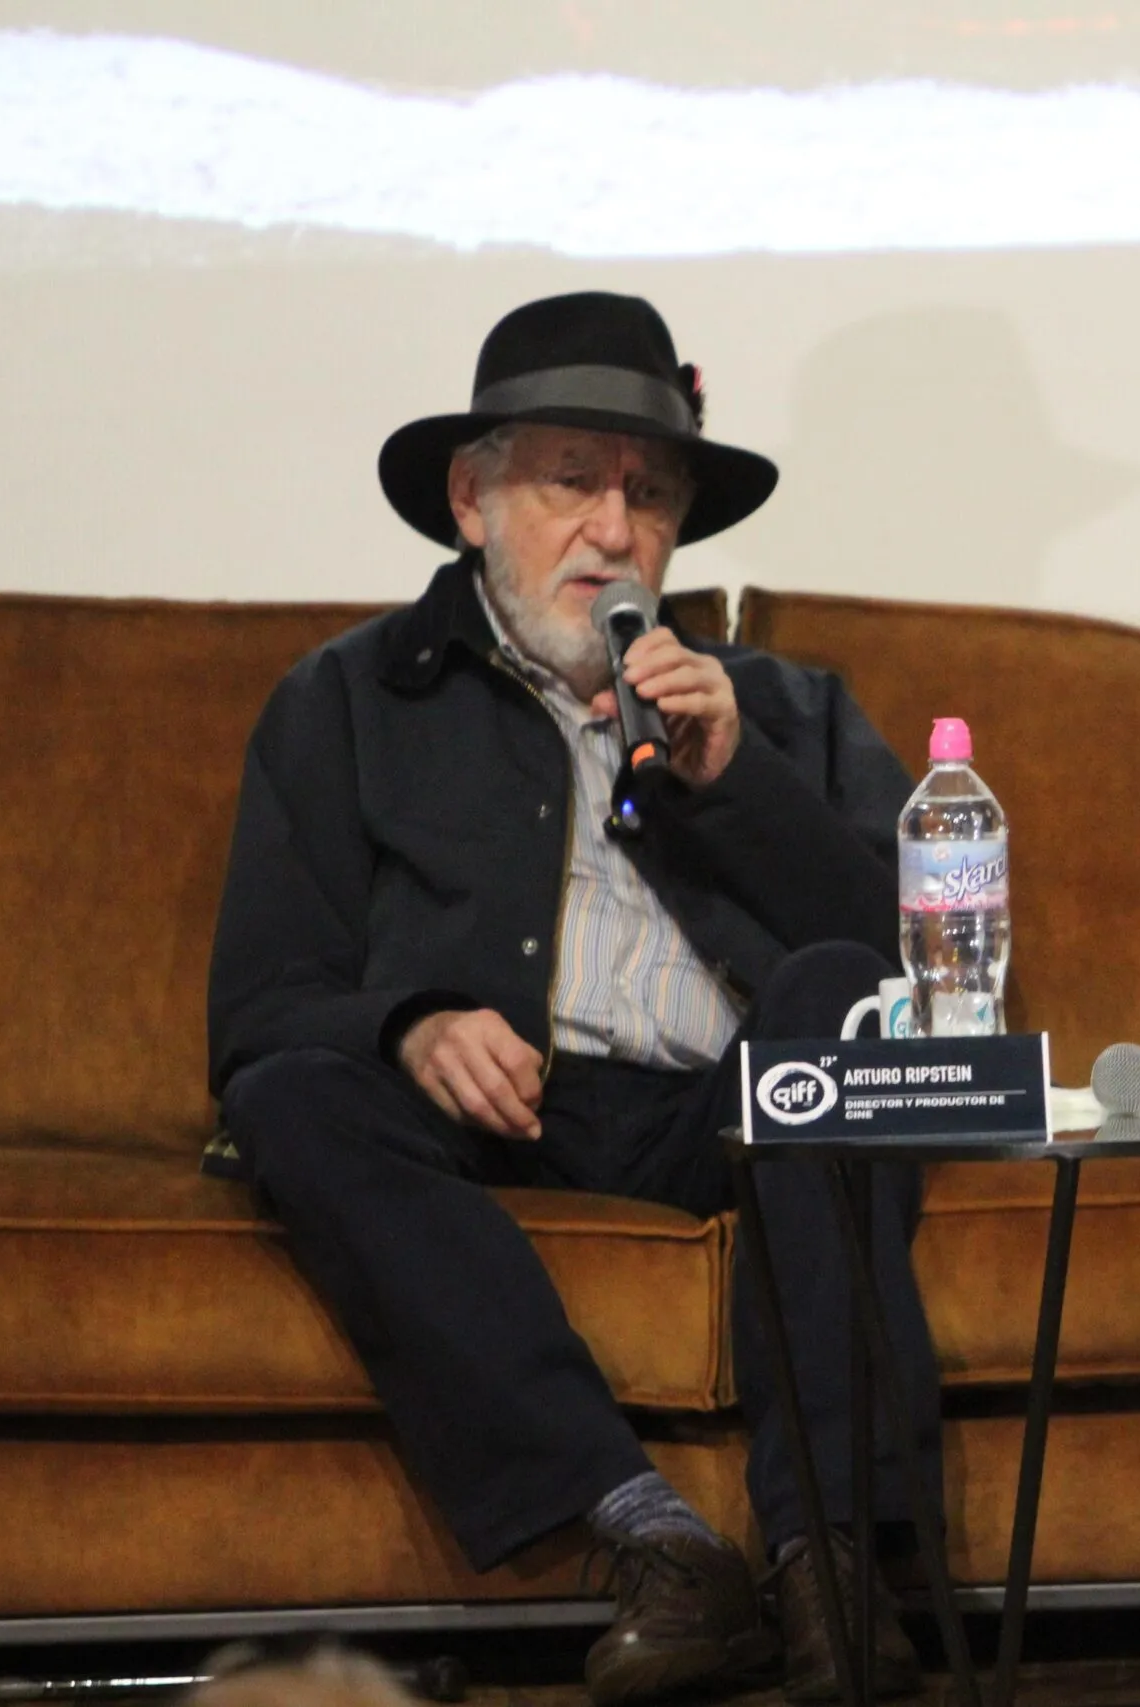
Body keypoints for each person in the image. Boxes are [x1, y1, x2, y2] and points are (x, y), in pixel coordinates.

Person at [208, 292, 933, 1704]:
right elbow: (260, 1001)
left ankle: (831, 1562)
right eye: (572, 481)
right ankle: (652, 1538)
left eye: (649, 493)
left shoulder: (779, 708)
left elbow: (926, 975)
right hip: (488, 1124)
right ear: (472, 497)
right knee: (292, 1093)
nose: (615, 528)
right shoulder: (349, 698)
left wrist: (740, 786)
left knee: (844, 1001)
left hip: (724, 1118)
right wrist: (406, 1022)